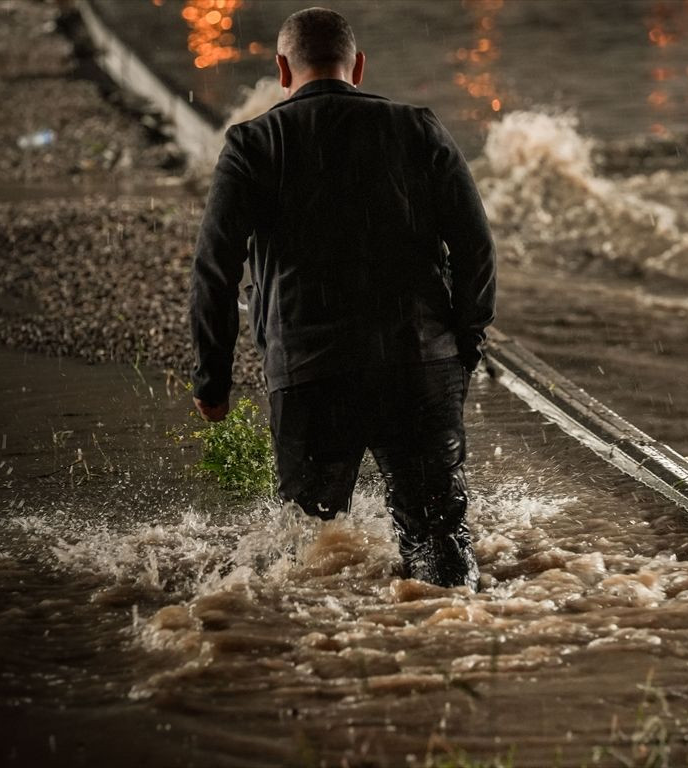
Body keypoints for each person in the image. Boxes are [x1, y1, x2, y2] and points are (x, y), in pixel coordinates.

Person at [188, 7, 496, 589]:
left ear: (282, 68)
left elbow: (214, 271)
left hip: (309, 373)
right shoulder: (418, 126)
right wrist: (464, 343)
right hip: (419, 367)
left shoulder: (252, 144)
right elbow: (477, 248)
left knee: (315, 552)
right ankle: (452, 647)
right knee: (440, 544)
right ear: (358, 65)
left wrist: (212, 380)